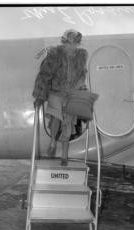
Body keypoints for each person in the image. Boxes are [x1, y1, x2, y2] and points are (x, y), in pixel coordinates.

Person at [33, 29, 88, 166]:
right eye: (70, 43)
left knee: (68, 124)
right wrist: (40, 96)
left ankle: (64, 155)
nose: (72, 46)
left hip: (71, 94)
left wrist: (82, 93)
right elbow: (45, 75)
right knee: (56, 117)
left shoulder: (80, 56)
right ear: (64, 42)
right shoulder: (55, 54)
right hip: (56, 92)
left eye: (75, 43)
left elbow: (82, 76)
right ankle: (52, 142)